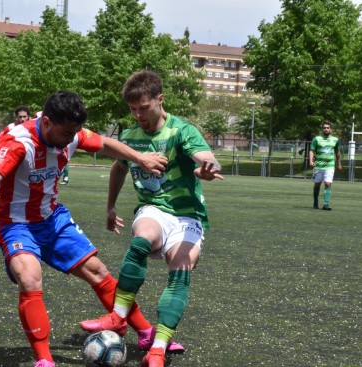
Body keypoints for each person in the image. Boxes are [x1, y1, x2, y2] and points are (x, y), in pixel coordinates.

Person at [0, 90, 185, 367]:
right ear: (48, 122)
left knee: (97, 271)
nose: (71, 139)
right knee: (30, 277)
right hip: (15, 224)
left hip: (52, 219)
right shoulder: (18, 141)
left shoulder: (71, 132)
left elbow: (106, 144)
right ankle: (45, 360)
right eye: (66, 133)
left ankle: (146, 332)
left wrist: (141, 158)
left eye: (75, 132)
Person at [79, 70, 224, 367]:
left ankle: (157, 349)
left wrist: (207, 167)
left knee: (180, 270)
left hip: (187, 217)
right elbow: (119, 167)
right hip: (152, 209)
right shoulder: (130, 135)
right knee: (141, 238)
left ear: (160, 100)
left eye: (143, 108)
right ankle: (119, 318)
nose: (138, 116)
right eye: (132, 110)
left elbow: (203, 157)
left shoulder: (182, 130)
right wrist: (110, 207)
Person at [309, 121, 342, 210]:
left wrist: (339, 163)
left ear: (331, 129)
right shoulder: (317, 139)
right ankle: (315, 202)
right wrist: (311, 161)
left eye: (328, 128)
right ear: (322, 129)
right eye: (324, 128)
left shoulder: (335, 140)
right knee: (317, 184)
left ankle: (326, 204)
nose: (326, 129)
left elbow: (337, 152)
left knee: (327, 184)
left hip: (330, 165)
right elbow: (312, 150)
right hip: (318, 166)